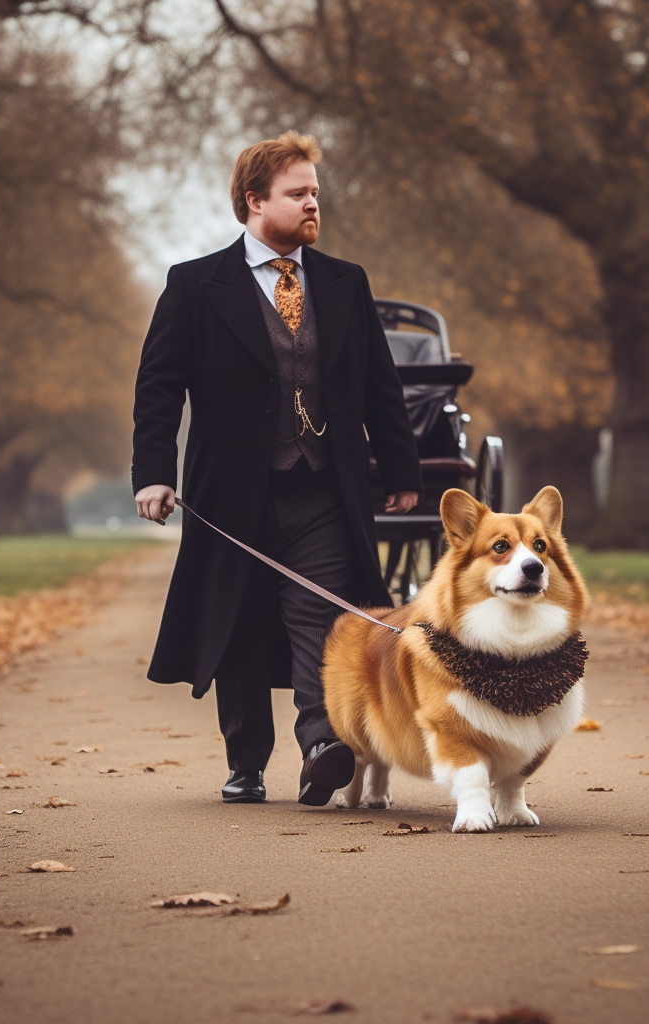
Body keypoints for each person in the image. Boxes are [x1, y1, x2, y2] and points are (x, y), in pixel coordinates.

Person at [132, 131, 422, 806]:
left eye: (316, 192)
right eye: (299, 194)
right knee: (234, 623)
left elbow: (381, 384)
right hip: (229, 493)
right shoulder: (195, 285)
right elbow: (158, 387)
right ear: (254, 201)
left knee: (315, 611)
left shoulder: (346, 283)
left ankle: (321, 744)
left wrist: (402, 470)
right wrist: (153, 472)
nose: (313, 203)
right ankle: (246, 763)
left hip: (324, 487)